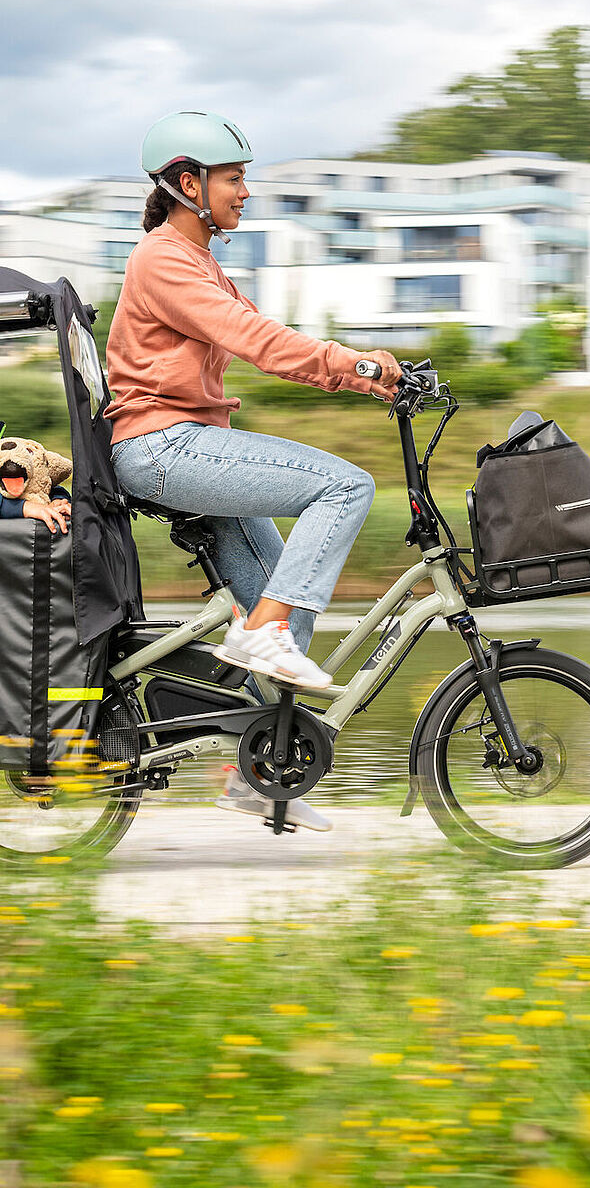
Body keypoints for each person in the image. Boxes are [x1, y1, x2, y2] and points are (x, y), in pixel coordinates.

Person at [105, 111, 402, 831]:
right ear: (188, 184)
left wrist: (365, 374)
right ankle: (256, 631)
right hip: (163, 447)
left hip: (189, 444)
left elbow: (270, 335)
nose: (245, 193)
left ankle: (259, 777)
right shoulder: (163, 259)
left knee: (288, 607)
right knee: (345, 485)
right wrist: (351, 364)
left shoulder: (200, 263)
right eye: (234, 179)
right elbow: (257, 342)